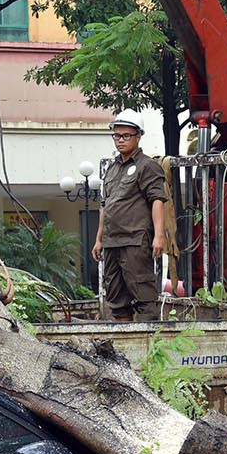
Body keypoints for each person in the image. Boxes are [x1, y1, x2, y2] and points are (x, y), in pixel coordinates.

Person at [91, 114, 169, 321]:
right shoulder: (112, 168)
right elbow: (105, 205)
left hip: (135, 239)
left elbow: (157, 201)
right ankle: (125, 345)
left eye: (126, 135)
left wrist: (159, 236)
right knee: (116, 298)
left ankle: (150, 343)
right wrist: (99, 239)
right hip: (111, 241)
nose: (120, 140)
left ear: (139, 136)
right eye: (116, 136)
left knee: (143, 295)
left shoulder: (147, 166)